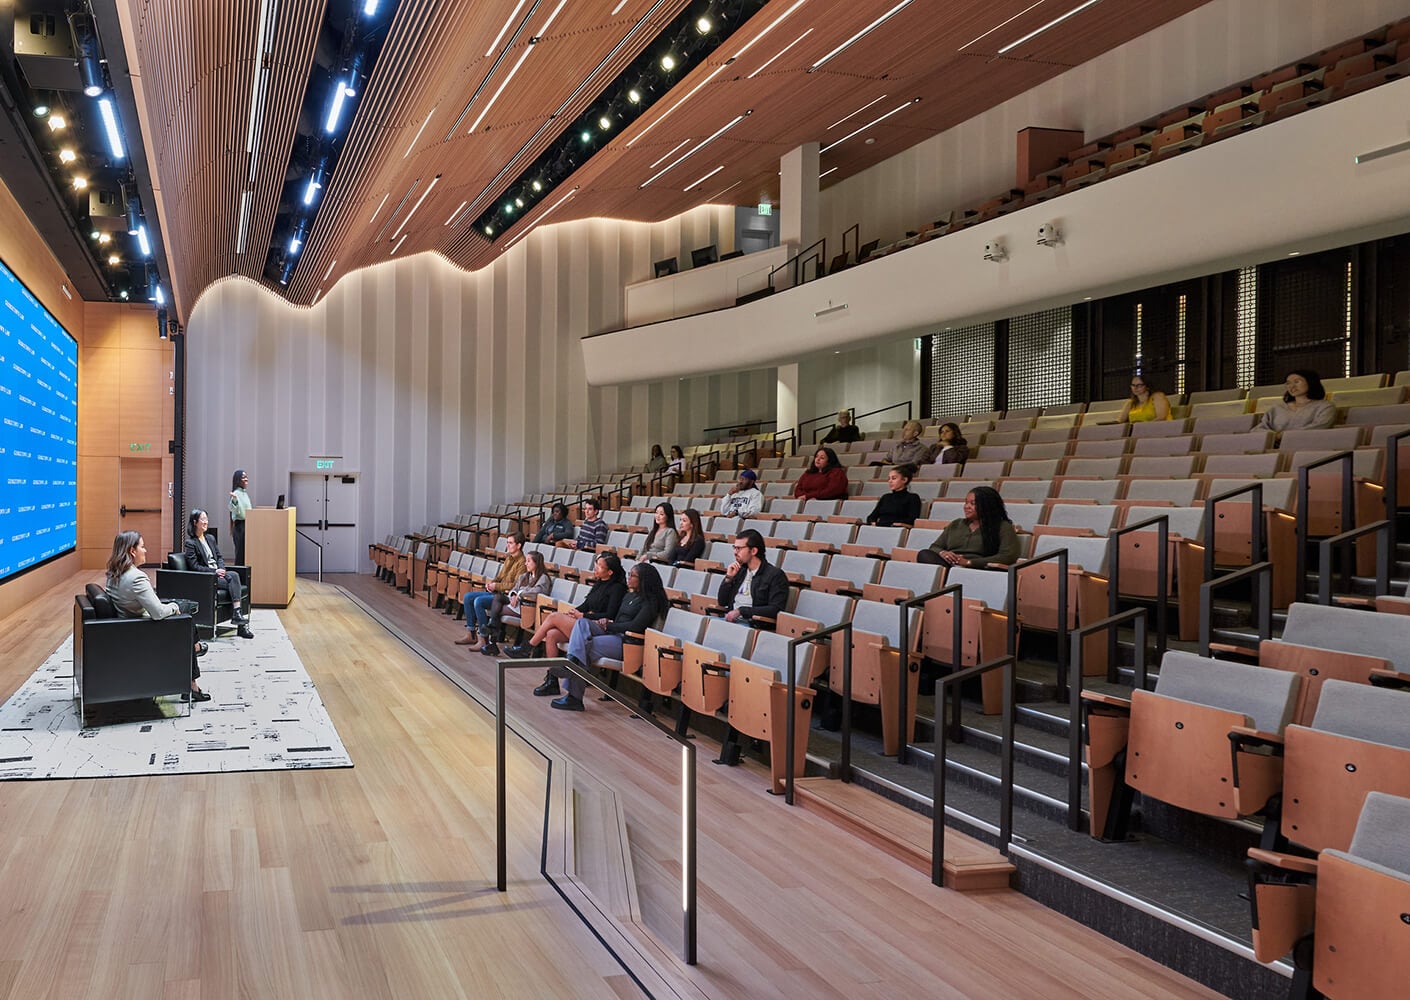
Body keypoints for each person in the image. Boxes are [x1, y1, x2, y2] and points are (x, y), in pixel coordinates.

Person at [533, 563, 669, 711]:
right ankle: (571, 665)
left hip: (626, 642)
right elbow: (617, 618)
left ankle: (574, 695)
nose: (628, 578)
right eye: (629, 574)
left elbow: (635, 626)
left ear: (643, 579)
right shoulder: (630, 595)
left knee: (583, 648)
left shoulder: (651, 601)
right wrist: (607, 622)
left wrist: (610, 625)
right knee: (582, 623)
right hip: (612, 631)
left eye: (632, 575)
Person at [105, 530, 211, 701]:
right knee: (184, 614)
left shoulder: (113, 574)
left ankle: (195, 652)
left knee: (183, 612)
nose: (145, 550)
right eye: (142, 546)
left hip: (126, 626)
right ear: (132, 551)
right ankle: (194, 665)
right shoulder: (137, 578)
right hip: (144, 631)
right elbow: (158, 613)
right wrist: (174, 607)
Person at [507, 552, 627, 658]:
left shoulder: (617, 588)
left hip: (599, 628)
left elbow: (610, 614)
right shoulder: (599, 583)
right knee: (551, 634)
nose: (595, 568)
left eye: (600, 566)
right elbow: (586, 605)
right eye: (596, 564)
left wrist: (583, 615)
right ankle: (552, 678)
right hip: (585, 622)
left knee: (554, 617)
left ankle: (527, 647)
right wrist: (573, 612)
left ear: (610, 572)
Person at [184, 508, 253, 638]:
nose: (206, 522)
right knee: (234, 577)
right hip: (208, 578)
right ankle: (240, 623)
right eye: (203, 519)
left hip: (219, 574)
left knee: (234, 576)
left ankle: (238, 616)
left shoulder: (210, 538)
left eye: (206, 519)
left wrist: (222, 569)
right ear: (195, 522)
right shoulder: (190, 543)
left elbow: (219, 557)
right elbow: (194, 567)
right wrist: (214, 571)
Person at [919, 486, 1021, 568]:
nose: (966, 506)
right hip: (949, 565)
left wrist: (969, 562)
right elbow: (935, 547)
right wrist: (943, 553)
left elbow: (1008, 556)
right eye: (966, 502)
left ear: (987, 506)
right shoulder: (956, 524)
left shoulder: (1003, 527)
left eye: (972, 503)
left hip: (978, 568)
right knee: (924, 554)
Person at [455, 532, 525, 650]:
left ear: (518, 545)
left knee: (479, 601)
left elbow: (515, 585)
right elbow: (500, 577)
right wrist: (491, 584)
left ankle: (484, 639)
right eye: (507, 542)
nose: (507, 545)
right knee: (467, 597)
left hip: (506, 596)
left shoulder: (522, 562)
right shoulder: (509, 558)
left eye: (510, 543)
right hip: (497, 592)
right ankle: (471, 634)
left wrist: (496, 586)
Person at [480, 550, 552, 656]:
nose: (525, 563)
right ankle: (492, 635)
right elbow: (514, 588)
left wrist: (519, 595)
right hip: (516, 603)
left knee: (497, 611)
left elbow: (538, 593)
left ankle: (492, 640)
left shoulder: (543, 578)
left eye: (528, 561)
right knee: (498, 597)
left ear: (536, 563)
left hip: (527, 607)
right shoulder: (524, 576)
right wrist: (513, 595)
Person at [715, 529, 789, 624]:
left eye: (739, 548)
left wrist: (742, 611)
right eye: (734, 547)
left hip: (752, 624)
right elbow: (722, 602)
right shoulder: (739, 570)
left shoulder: (775, 575)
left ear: (753, 551)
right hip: (731, 621)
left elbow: (775, 609)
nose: (735, 552)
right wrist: (729, 578)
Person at [1259, 369, 1336, 433]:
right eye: (1288, 383)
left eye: (1297, 382)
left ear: (1310, 382)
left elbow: (1320, 426)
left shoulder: (1325, 406)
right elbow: (1259, 428)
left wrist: (1284, 436)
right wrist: (1273, 436)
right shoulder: (1276, 408)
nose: (1292, 386)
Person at [228, 469, 252, 565]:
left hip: (247, 525)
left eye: (246, 477)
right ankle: (238, 576)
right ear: (238, 480)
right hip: (240, 527)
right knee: (240, 555)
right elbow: (234, 510)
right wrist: (234, 500)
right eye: (243, 477)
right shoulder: (236, 493)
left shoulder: (244, 493)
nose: (246, 479)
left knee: (245, 554)